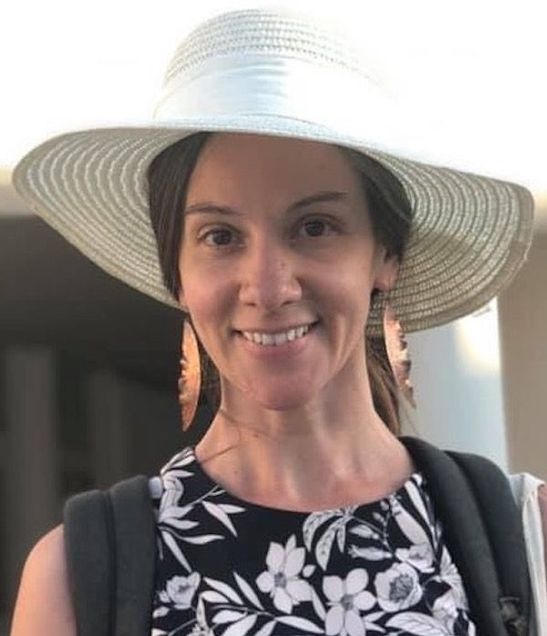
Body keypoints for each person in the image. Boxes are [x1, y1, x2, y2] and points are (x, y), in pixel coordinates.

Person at [9, 7, 547, 636]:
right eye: (220, 236)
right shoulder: (78, 575)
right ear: (177, 271)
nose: (267, 288)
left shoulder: (526, 537)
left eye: (314, 227)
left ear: (385, 255)